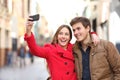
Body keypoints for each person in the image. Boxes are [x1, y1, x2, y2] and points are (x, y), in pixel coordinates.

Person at [24, 17, 99, 80]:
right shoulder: (50, 50)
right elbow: (34, 50)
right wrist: (28, 31)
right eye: (60, 33)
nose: (63, 36)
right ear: (57, 36)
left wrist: (93, 34)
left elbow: (85, 38)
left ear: (70, 38)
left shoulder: (75, 48)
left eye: (66, 34)